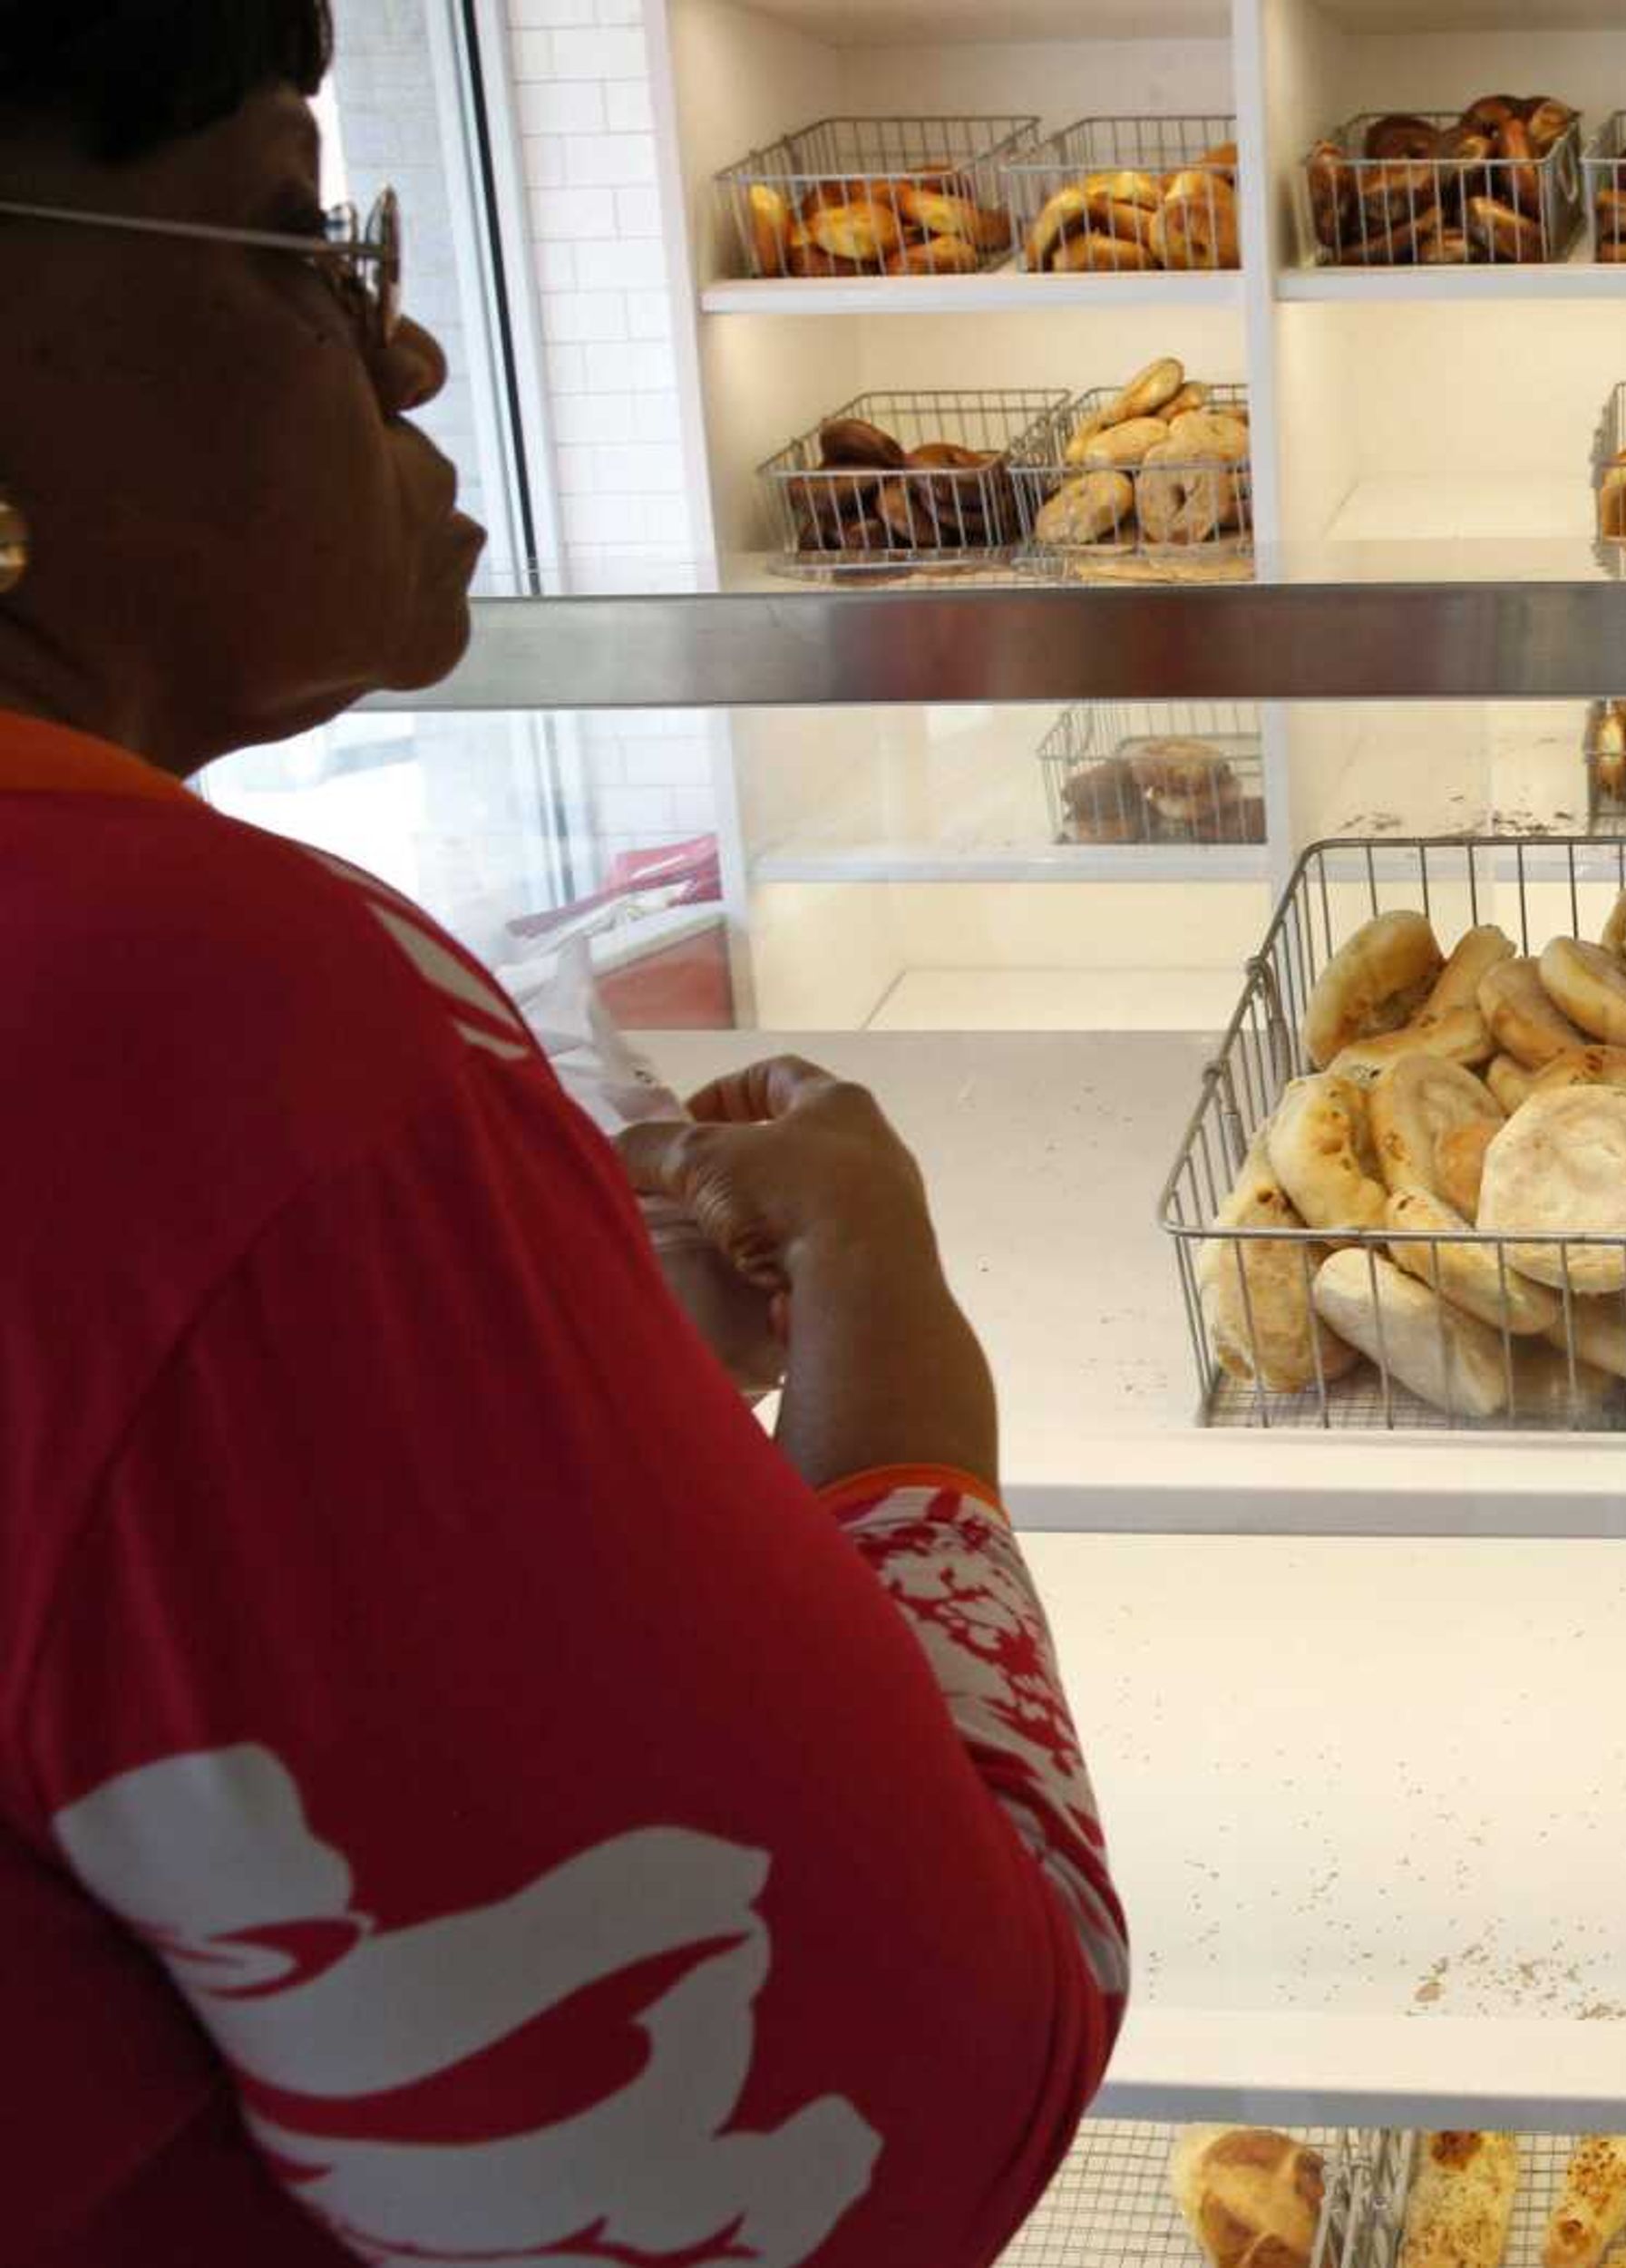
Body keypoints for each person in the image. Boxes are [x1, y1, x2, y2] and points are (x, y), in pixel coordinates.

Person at [0, 9, 1125, 2263]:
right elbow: (871, 2118)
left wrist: (560, 1383)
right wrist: (882, 1297)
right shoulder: (202, 1024)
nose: (402, 342)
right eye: (286, 232)